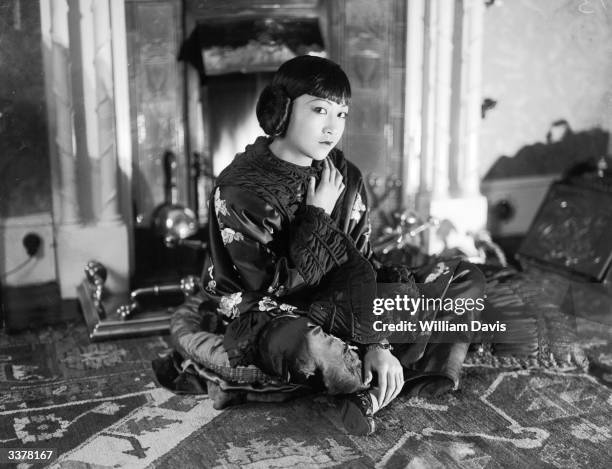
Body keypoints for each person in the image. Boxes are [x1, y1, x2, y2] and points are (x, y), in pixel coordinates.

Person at [155, 55, 485, 436]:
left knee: (463, 277)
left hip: (344, 303)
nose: (333, 127)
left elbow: (361, 262)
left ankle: (367, 387)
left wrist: (375, 340)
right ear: (279, 111)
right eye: (319, 110)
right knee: (306, 346)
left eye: (341, 114)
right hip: (276, 313)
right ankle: (384, 375)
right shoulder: (241, 190)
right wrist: (316, 215)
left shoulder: (345, 175)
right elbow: (271, 290)